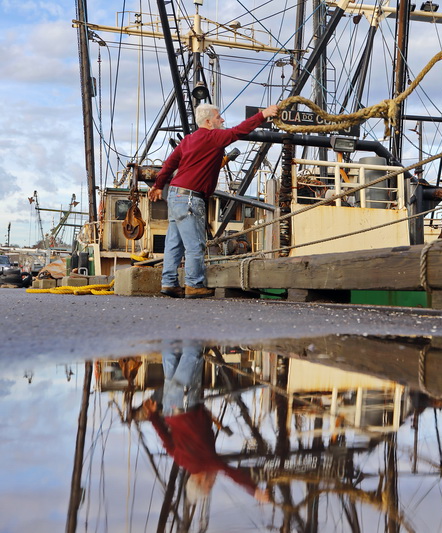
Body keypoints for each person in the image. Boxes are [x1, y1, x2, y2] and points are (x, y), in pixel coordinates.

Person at [148, 104, 278, 299]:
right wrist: (263, 115)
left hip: (174, 195)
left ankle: (169, 283)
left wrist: (158, 185)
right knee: (195, 244)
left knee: (174, 244)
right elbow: (239, 131)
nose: (222, 120)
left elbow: (169, 164)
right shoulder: (213, 137)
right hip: (191, 197)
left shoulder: (188, 140)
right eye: (219, 117)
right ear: (208, 122)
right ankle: (194, 285)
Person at [138, 340, 270, 504]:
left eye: (209, 485)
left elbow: (231, 472)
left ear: (200, 482)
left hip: (184, 403)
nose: (213, 482)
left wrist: (254, 490)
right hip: (169, 408)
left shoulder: (205, 463)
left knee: (193, 353)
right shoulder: (181, 460)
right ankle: (168, 326)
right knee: (171, 355)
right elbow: (165, 440)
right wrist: (152, 416)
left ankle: (191, 321)